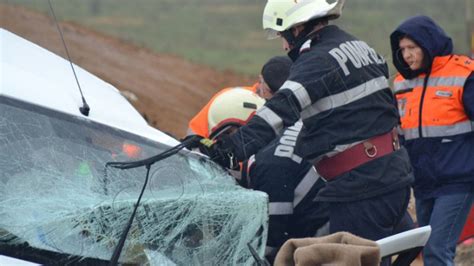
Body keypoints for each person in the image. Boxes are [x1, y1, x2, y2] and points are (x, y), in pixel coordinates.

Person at [198, 0, 414, 250]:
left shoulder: (317, 60)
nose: (284, 45)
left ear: (297, 28)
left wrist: (230, 150)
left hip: (361, 189)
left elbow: (279, 111)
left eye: (283, 35)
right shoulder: (359, 46)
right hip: (393, 175)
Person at [390, 15, 474, 265]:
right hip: (423, 183)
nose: (406, 55)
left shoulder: (464, 74)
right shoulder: (400, 83)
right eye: (402, 49)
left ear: (429, 44)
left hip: (458, 180)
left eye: (412, 48)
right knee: (427, 251)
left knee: (438, 250)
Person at [186, 56, 292, 137]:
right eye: (271, 92)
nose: (276, 98)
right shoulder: (231, 98)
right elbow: (194, 132)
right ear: (260, 81)